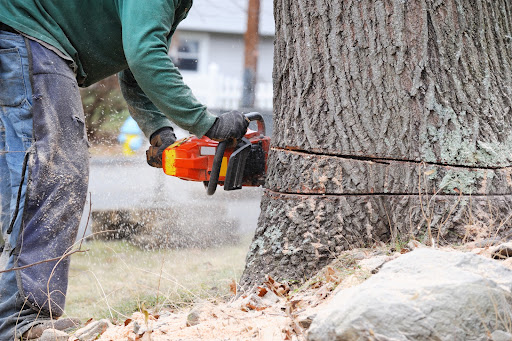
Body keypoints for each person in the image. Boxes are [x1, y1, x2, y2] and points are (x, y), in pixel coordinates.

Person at [0, 1, 250, 339]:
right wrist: (208, 123)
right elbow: (145, 54)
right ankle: (20, 320)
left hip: (16, 34)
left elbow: (133, 67)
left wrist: (160, 132)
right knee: (56, 175)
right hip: (25, 37)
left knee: (18, 178)